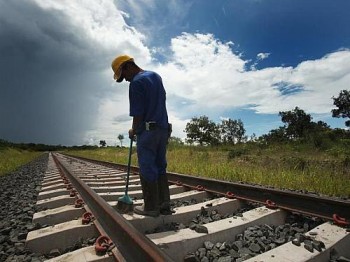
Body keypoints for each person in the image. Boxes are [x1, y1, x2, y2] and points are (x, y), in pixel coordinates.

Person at [111, 55, 173, 217]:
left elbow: (138, 113)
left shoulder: (137, 82)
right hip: (163, 129)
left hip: (148, 131)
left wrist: (133, 130)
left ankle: (151, 207)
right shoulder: (155, 76)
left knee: (147, 166)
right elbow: (161, 102)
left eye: (123, 76)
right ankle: (164, 204)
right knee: (160, 165)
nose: (125, 80)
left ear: (127, 66)